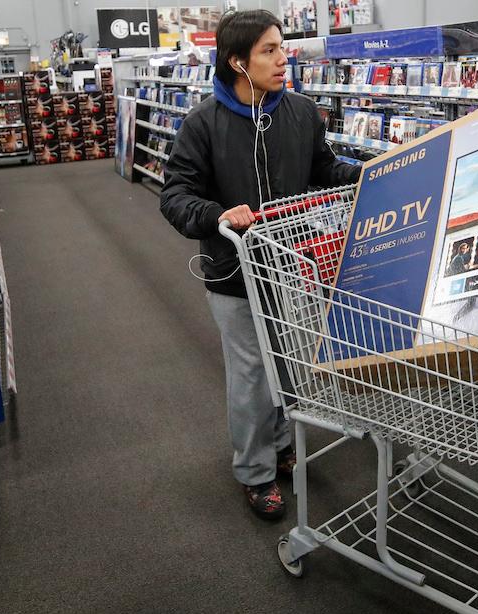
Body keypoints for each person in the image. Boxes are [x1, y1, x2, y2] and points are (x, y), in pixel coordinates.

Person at [160, 10, 361, 520]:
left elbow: (323, 169)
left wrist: (369, 173)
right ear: (237, 61)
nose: (283, 57)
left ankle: (281, 444)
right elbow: (175, 195)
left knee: (287, 363)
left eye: (282, 47)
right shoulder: (202, 123)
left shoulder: (300, 112)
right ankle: (255, 472)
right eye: (269, 50)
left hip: (291, 263)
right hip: (232, 273)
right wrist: (215, 214)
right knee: (251, 374)